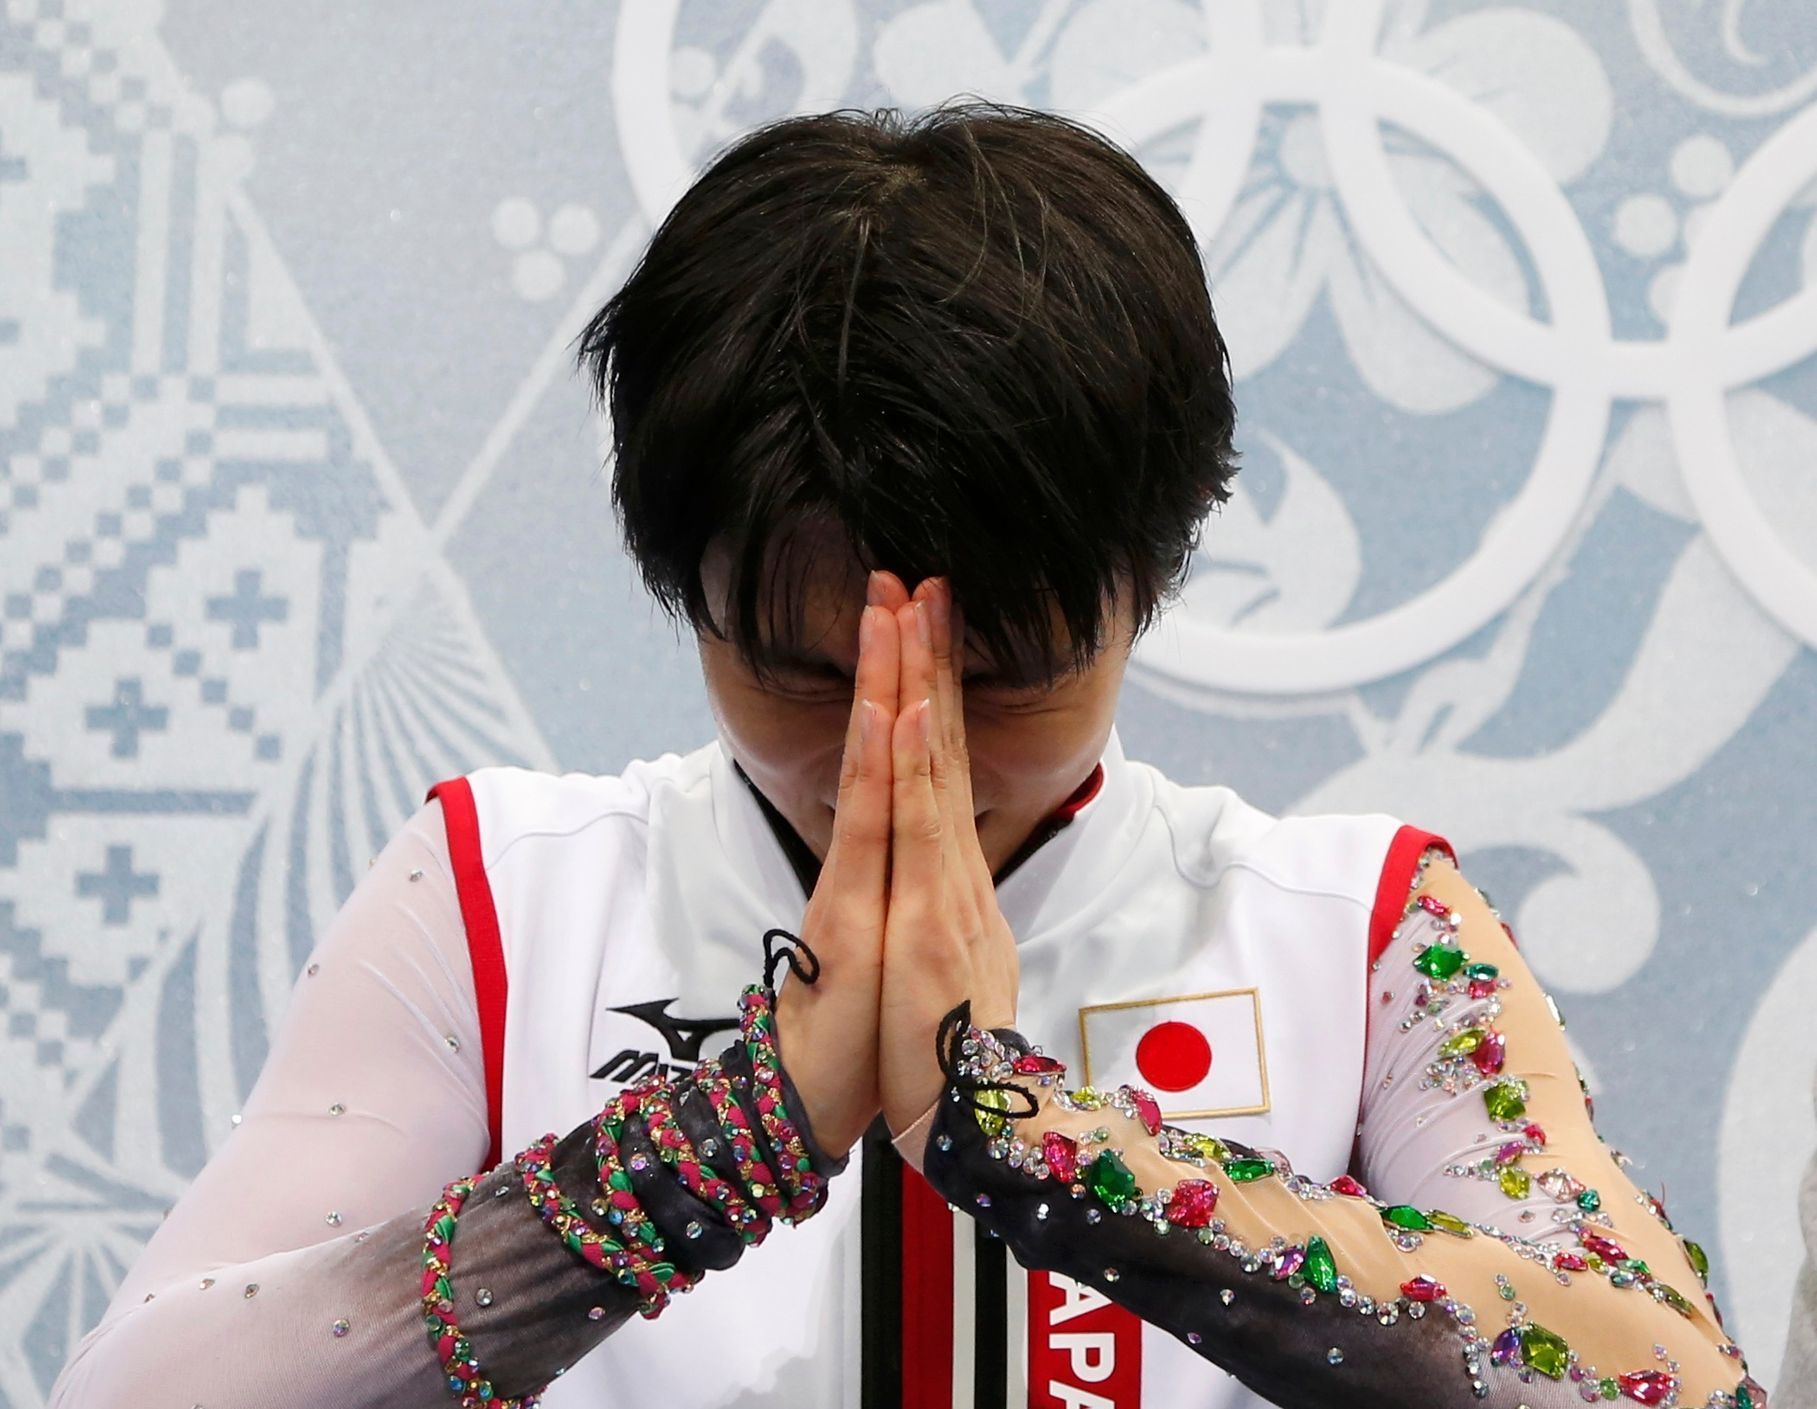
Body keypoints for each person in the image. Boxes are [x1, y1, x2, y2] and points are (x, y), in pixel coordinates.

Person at [47, 101, 1762, 1409]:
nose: (902, 749)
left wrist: (1026, 1134)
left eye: (1005, 677)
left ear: (1148, 577)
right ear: (679, 585)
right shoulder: (501, 885)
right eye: (800, 674)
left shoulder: (1360, 921)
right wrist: (739, 1129)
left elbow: (1664, 1381)